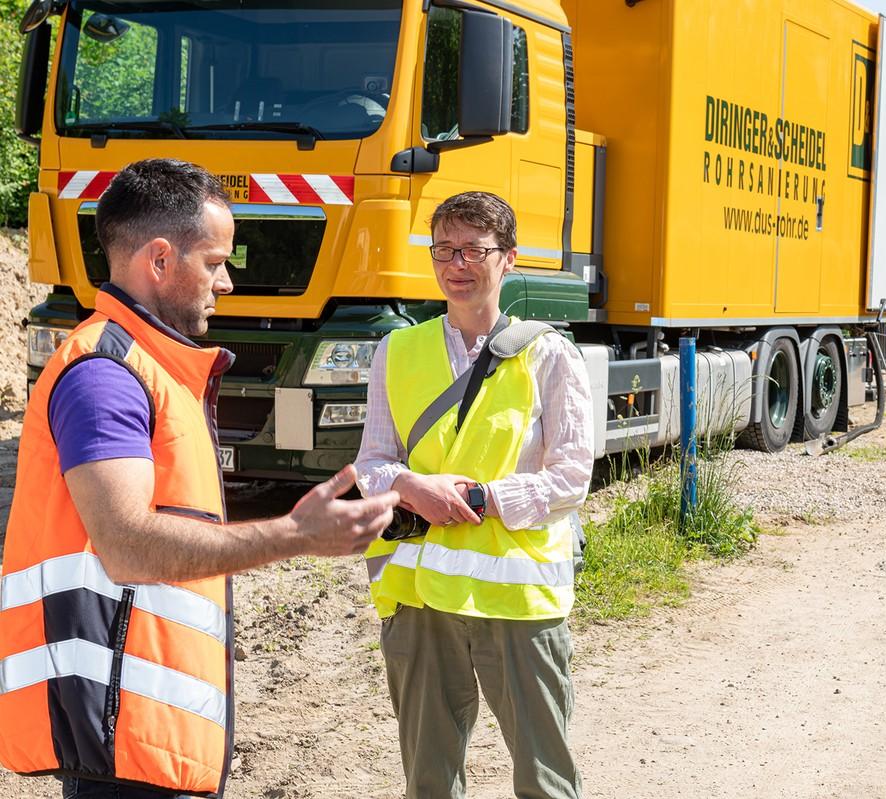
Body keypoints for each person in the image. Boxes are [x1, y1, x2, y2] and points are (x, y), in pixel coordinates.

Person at [0, 159, 399, 799]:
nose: (229, 281)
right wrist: (296, 534)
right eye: (215, 262)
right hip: (125, 736)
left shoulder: (153, 368)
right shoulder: (106, 374)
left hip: (146, 729)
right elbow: (127, 546)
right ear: (160, 261)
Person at [354, 191, 593, 799]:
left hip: (519, 600)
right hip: (418, 594)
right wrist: (410, 484)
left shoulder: (549, 354)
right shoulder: (396, 351)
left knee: (545, 779)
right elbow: (372, 463)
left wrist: (481, 499)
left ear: (507, 259)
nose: (457, 264)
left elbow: (571, 478)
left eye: (474, 250)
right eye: (445, 249)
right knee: (429, 780)